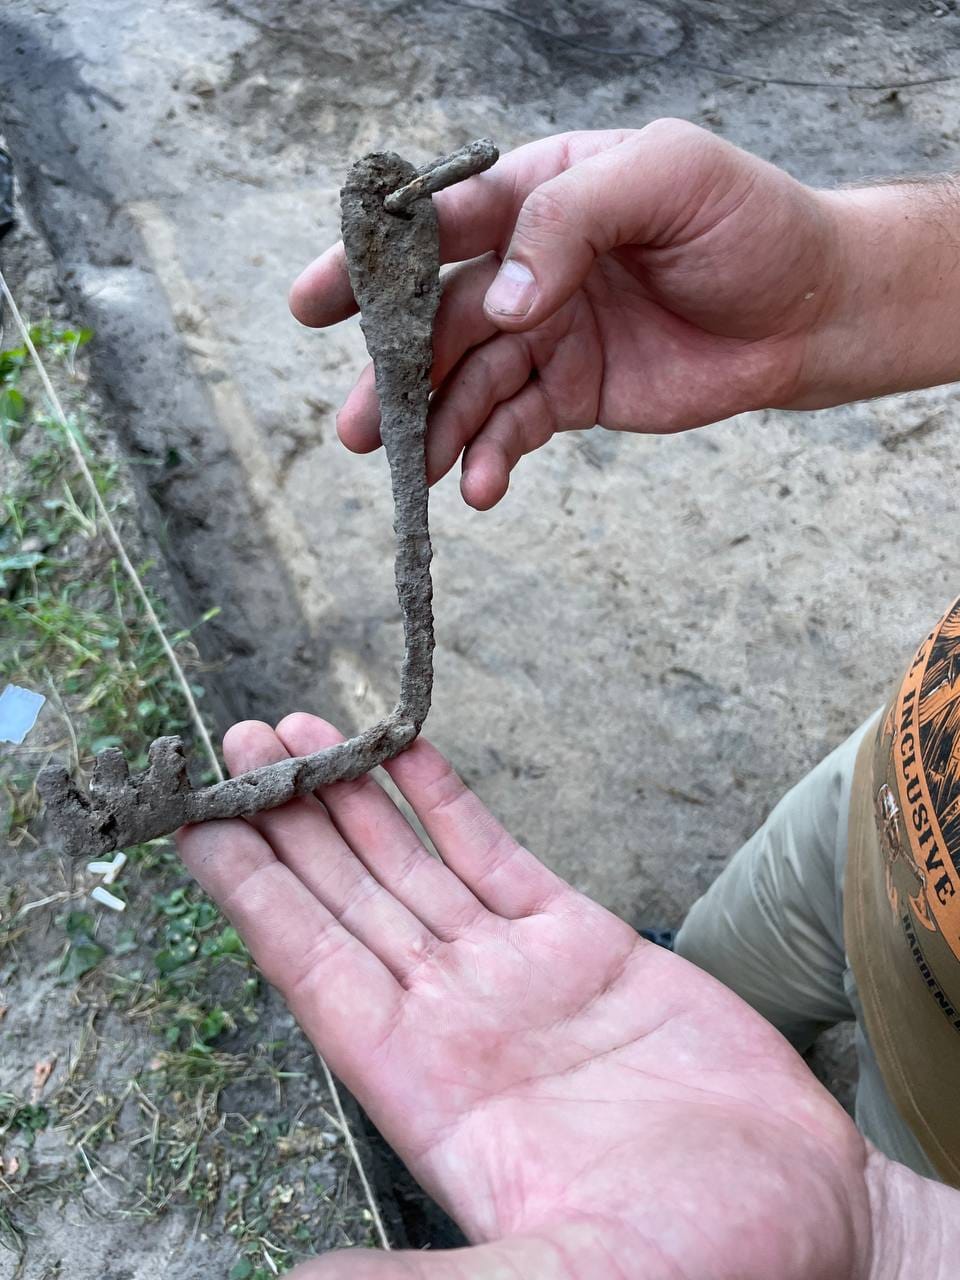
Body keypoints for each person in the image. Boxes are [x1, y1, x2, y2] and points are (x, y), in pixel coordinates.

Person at [177, 122, 960, 1277]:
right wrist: (841, 277)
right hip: (886, 786)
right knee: (710, 969)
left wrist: (891, 1237)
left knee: (869, 1127)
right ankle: (705, 1009)